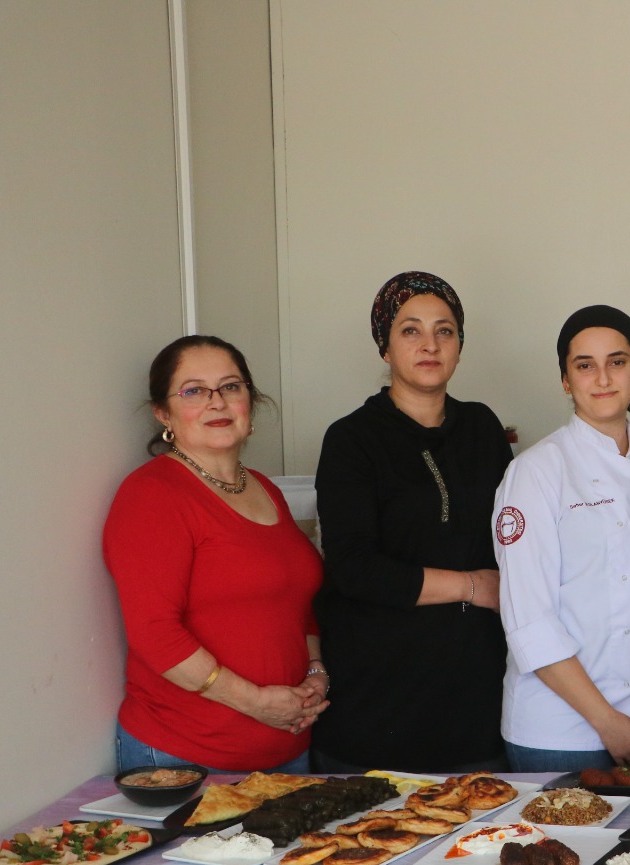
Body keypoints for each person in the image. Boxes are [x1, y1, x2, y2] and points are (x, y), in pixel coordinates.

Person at [311, 272, 511, 773]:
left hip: (473, 697)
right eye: (410, 330)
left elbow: (511, 538)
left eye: (445, 330)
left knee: (478, 844)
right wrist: (471, 586)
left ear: (460, 345)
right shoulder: (351, 440)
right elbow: (354, 568)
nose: (430, 344)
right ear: (384, 346)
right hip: (379, 696)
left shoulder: (483, 428)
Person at [105, 336, 326, 773]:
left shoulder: (266, 488)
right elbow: (155, 635)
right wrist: (258, 703)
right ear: (163, 413)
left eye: (230, 387)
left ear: (250, 402)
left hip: (286, 747)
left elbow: (297, 605)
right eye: (193, 391)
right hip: (185, 757)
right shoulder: (152, 495)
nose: (216, 402)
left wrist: (316, 674)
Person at [493, 305, 630, 772]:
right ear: (566, 380)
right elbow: (529, 621)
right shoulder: (535, 473)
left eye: (617, 362)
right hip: (559, 732)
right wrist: (606, 722)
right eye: (585, 365)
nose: (602, 378)